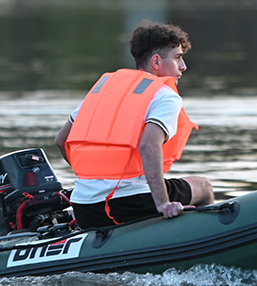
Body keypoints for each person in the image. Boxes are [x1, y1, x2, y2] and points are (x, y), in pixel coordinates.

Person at [54, 21, 215, 228]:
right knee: (203, 186)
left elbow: (61, 140)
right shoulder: (165, 96)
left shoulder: (101, 91)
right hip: (130, 204)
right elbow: (148, 145)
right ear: (156, 61)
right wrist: (163, 204)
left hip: (84, 207)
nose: (183, 66)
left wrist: (94, 181)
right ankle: (209, 238)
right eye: (177, 58)